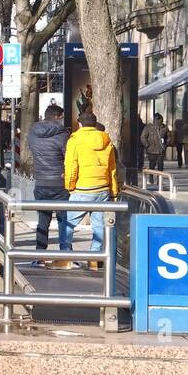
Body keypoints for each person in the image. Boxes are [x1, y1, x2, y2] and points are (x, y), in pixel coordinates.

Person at [64, 110, 119, 270]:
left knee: (68, 223)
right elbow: (112, 169)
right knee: (99, 226)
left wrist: (70, 186)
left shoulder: (74, 140)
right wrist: (113, 190)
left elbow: (71, 166)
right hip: (102, 189)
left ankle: (66, 256)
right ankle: (94, 258)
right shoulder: (106, 140)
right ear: (95, 124)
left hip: (82, 188)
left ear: (79, 124)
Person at [27, 103, 73, 267]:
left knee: (43, 220)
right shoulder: (63, 135)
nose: (62, 120)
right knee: (64, 219)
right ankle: (66, 255)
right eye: (61, 117)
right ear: (56, 117)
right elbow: (68, 157)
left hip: (41, 182)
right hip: (60, 182)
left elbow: (31, 150)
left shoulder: (33, 133)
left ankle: (40, 255)